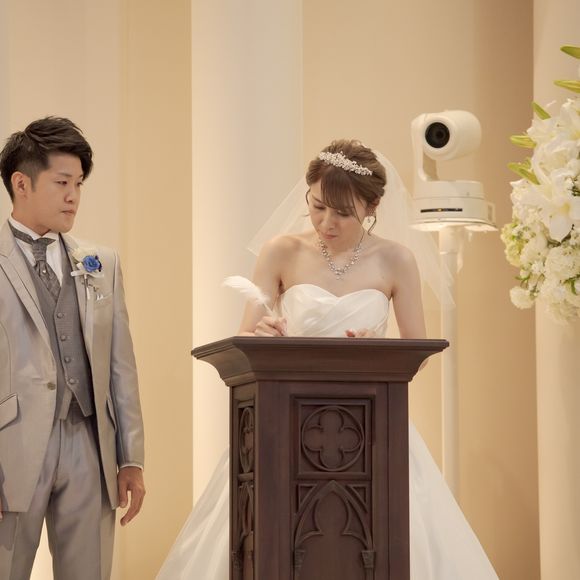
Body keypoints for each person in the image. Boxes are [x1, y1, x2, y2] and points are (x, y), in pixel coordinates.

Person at [157, 140, 497, 579]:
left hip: (372, 425)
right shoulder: (281, 251)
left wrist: (378, 349)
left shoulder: (397, 259)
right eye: (317, 207)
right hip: (284, 420)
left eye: (342, 212)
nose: (326, 223)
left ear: (372, 206)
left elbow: (418, 351)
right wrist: (264, 332)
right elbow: (246, 335)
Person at [0, 117, 145, 580]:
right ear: (21, 184)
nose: (73, 196)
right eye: (62, 183)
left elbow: (121, 366)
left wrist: (130, 457)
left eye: (78, 184)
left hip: (89, 442)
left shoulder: (101, 263)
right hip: (11, 446)